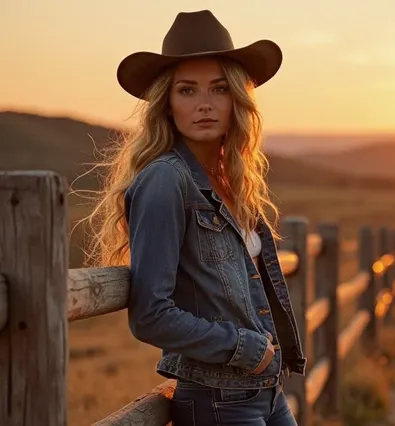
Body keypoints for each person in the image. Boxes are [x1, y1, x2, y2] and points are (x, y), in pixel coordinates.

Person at [84, 9, 305, 425]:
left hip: (267, 394)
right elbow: (151, 313)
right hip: (220, 401)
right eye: (187, 91)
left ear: (236, 98)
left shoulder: (234, 182)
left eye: (218, 89)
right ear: (167, 104)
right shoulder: (166, 181)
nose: (204, 104)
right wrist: (244, 347)